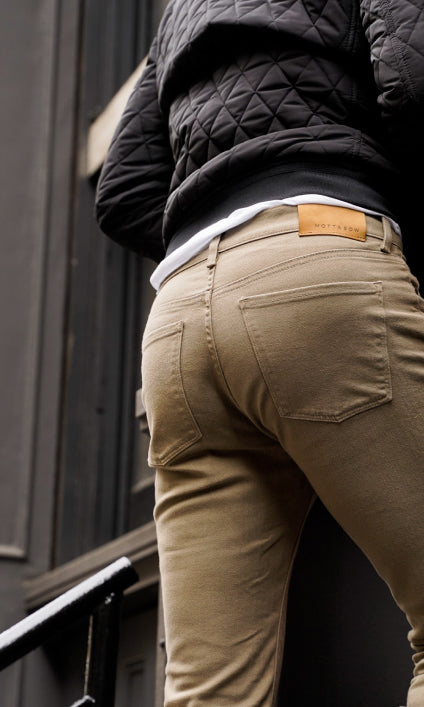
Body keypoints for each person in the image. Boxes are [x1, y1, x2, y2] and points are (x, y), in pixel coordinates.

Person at [95, 1, 424, 704]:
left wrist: (235, 242)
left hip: (178, 316)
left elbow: (123, 187)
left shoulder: (181, 10)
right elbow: (411, 79)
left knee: (209, 691)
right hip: (323, 257)